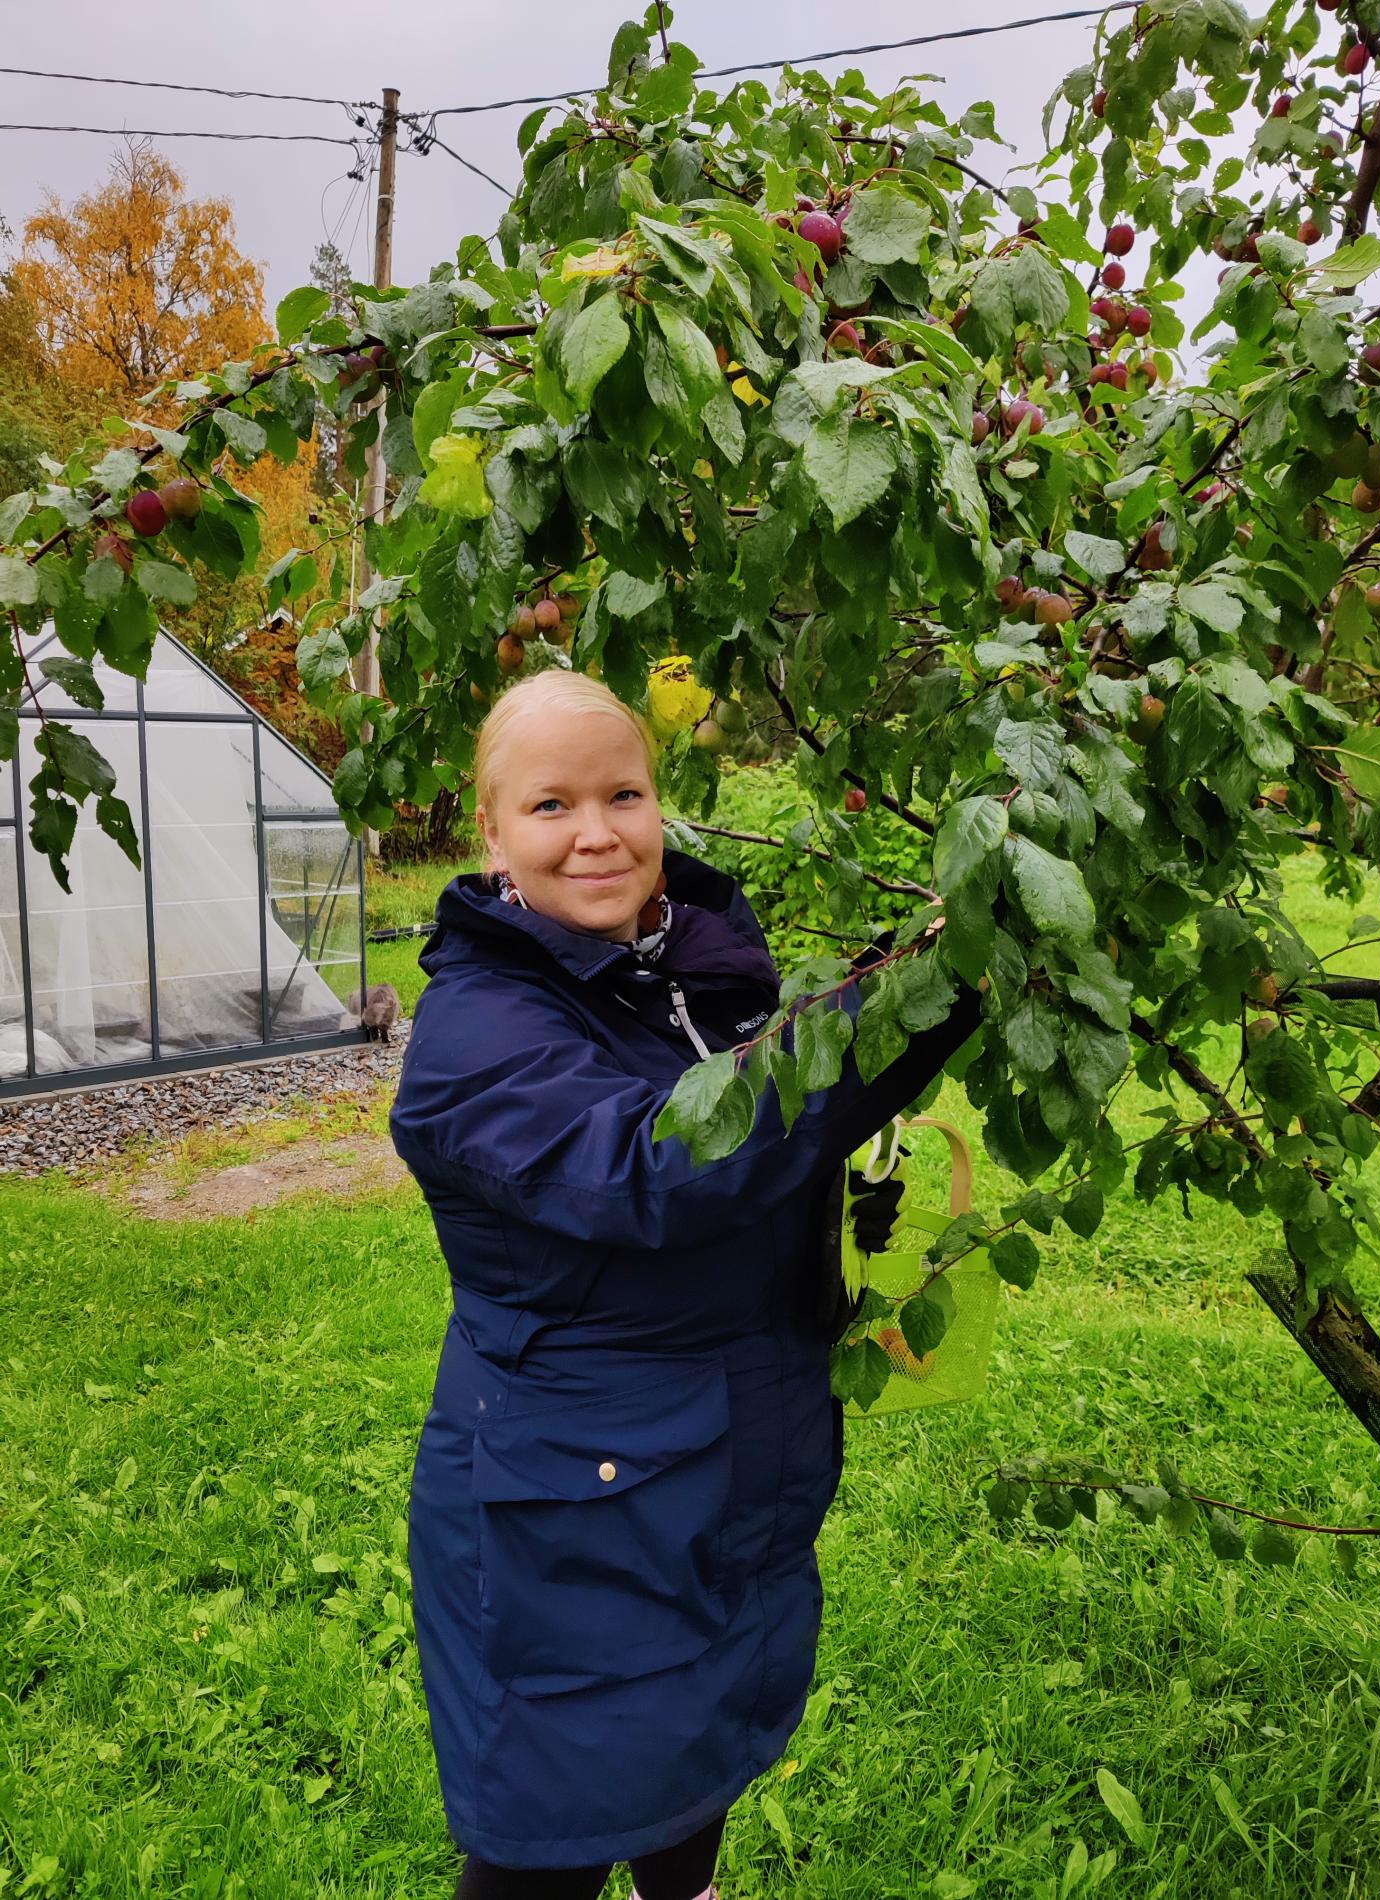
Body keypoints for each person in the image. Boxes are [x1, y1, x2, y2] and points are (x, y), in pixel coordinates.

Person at [388, 670, 979, 1899]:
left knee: (696, 1734)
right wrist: (910, 1008)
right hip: (572, 1504)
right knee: (553, 1802)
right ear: (490, 834)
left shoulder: (697, 963)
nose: (597, 831)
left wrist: (936, 955)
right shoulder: (474, 1036)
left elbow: (785, 1056)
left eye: (625, 793)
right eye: (551, 804)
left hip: (722, 1454)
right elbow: (656, 1168)